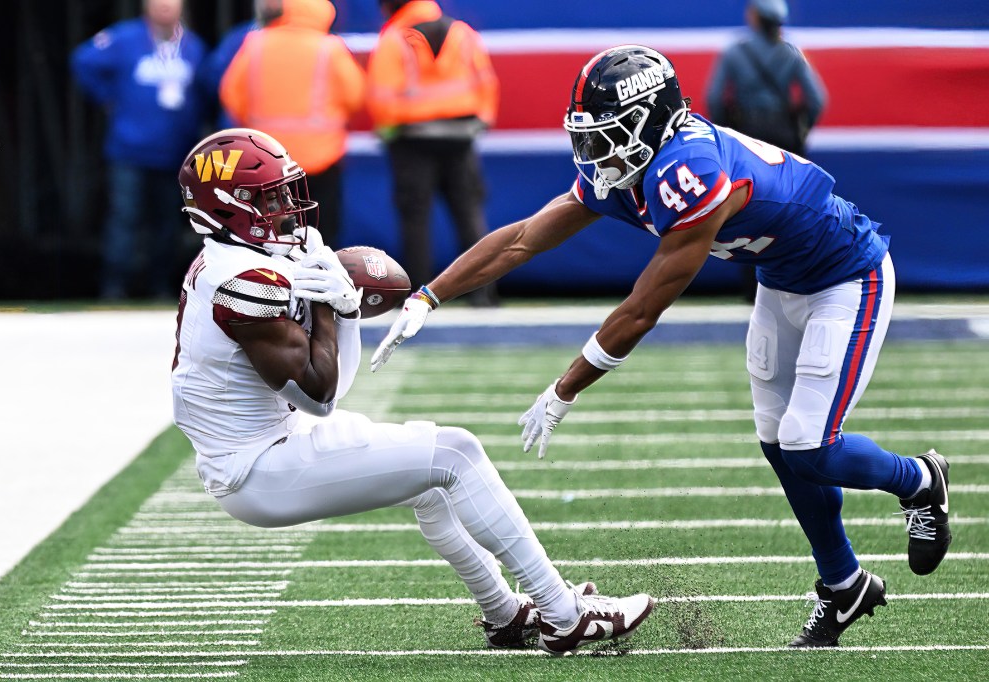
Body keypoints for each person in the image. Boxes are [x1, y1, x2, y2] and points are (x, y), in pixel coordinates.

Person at [371, 46, 953, 648]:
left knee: (809, 443)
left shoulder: (688, 170)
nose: (595, 152)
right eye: (589, 137)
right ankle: (844, 584)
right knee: (781, 443)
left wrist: (564, 386)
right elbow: (522, 240)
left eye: (608, 135)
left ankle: (916, 479)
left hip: (845, 276)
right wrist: (428, 296)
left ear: (650, 121)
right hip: (781, 278)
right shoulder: (634, 166)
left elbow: (644, 307)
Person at [170, 127, 655, 655]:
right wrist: (336, 309)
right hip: (257, 468)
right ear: (230, 206)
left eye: (286, 193)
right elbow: (321, 395)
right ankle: (563, 614)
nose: (286, 208)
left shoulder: (239, 262)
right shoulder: (244, 282)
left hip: (275, 439)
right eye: (270, 198)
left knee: (431, 480)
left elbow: (331, 392)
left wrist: (346, 311)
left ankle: (505, 613)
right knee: (456, 451)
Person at [366, 0, 500, 307]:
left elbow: (380, 93)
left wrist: (389, 130)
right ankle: (484, 295)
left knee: (415, 220)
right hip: (461, 137)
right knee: (469, 214)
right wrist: (480, 121)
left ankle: (416, 294)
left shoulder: (394, 38)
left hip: (411, 138)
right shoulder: (462, 33)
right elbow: (486, 81)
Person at [72, 0, 208, 300]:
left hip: (174, 153)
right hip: (129, 149)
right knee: (125, 218)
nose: (163, 6)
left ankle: (160, 287)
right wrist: (107, 97)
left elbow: (206, 91)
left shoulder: (193, 47)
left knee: (168, 223)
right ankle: (115, 287)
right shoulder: (125, 37)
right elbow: (82, 60)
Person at [220, 0, 364, 248]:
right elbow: (356, 96)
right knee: (321, 233)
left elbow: (231, 94)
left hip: (267, 161)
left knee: (270, 234)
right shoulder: (330, 48)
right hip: (321, 158)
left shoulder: (256, 43)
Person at [706, 0, 826, 158]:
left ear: (755, 16)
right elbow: (817, 100)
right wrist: (799, 130)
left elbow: (714, 98)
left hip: (744, 135)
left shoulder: (734, 52)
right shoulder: (793, 53)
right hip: (784, 135)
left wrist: (727, 129)